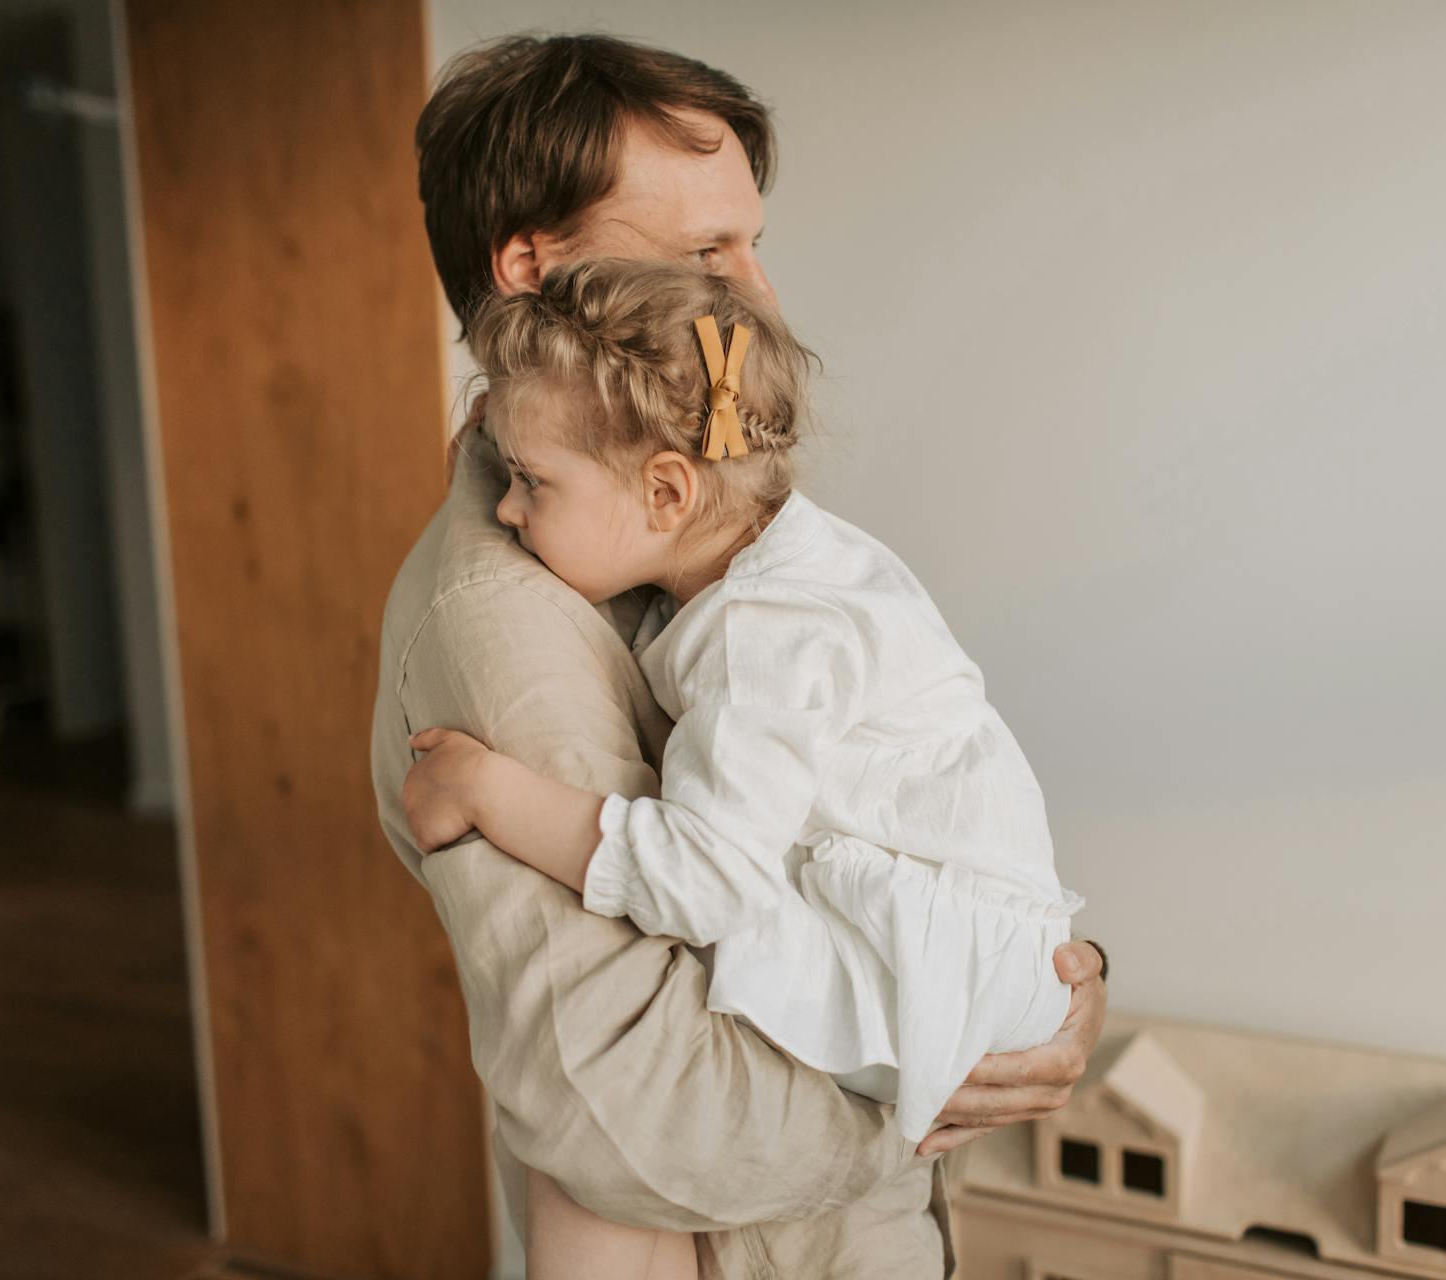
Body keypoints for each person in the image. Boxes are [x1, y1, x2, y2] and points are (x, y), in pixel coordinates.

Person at [369, 34, 1108, 1278]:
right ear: (533, 269)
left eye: (752, 244)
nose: (757, 295)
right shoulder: (509, 624)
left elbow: (888, 812)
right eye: (707, 253)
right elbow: (640, 1122)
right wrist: (947, 1063)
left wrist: (1043, 977)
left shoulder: (701, 546)